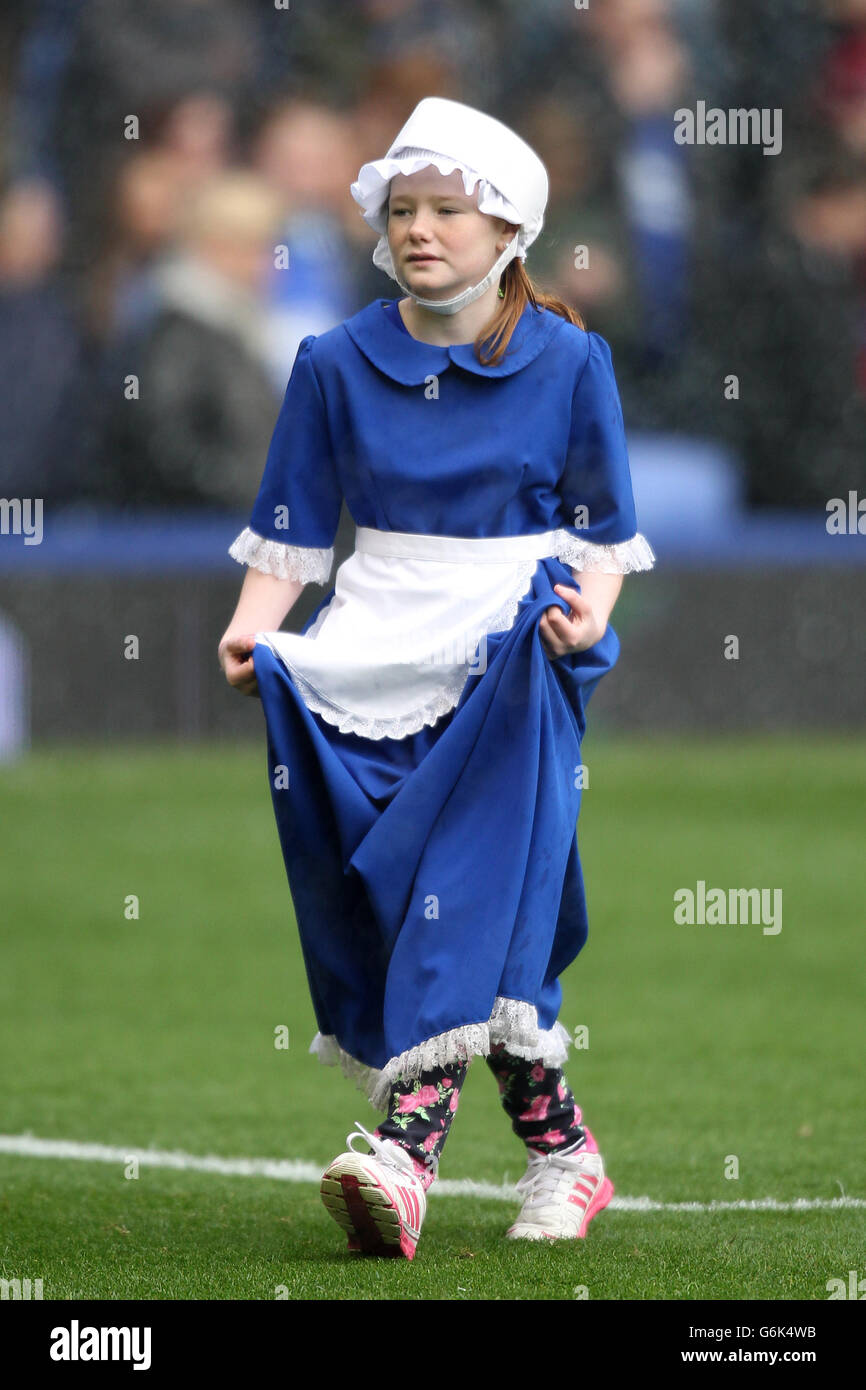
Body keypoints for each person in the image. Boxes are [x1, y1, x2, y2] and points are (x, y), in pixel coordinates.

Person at [218, 97, 655, 1260]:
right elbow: (293, 525)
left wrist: (581, 621)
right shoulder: (330, 363)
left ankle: (403, 1161)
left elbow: (601, 530)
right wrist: (253, 624)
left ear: (505, 225)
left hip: (514, 650)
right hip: (367, 643)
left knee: (463, 889)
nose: (419, 229)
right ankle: (564, 1152)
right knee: (400, 893)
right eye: (402, 209)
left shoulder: (569, 362)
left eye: (445, 210)